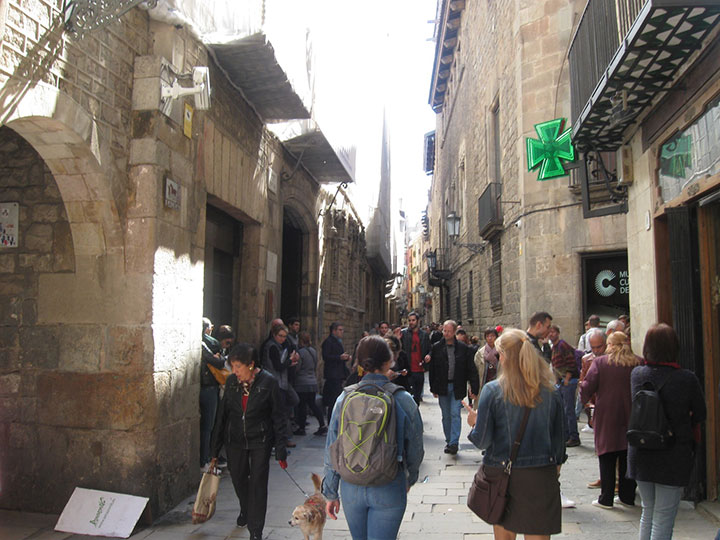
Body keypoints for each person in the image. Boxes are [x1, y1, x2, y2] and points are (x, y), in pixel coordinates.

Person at [465, 328, 566, 539]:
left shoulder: (492, 391)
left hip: (502, 472)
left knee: (504, 535)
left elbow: (483, 441)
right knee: (538, 535)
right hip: (540, 474)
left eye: (500, 354)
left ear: (507, 357)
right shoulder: (551, 391)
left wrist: (474, 423)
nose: (498, 359)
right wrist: (555, 468)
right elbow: (559, 439)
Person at [322, 335, 424, 540]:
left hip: (351, 485)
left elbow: (332, 447)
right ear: (389, 362)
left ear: (359, 363)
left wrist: (331, 492)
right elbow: (415, 447)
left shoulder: (344, 398)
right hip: (389, 483)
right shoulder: (403, 399)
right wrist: (409, 477)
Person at [628, 323, 706, 539]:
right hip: (672, 454)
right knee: (663, 517)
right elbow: (701, 413)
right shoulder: (686, 378)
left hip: (641, 450)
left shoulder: (637, 374)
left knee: (647, 512)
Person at [211, 343, 287, 540]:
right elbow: (222, 416)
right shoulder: (231, 383)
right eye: (232, 367)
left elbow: (278, 417)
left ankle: (256, 529)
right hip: (235, 440)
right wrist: (214, 450)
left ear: (251, 365)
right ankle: (246, 508)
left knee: (258, 484)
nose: (234, 371)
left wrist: (281, 449)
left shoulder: (268, 382)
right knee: (238, 480)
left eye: (238, 367)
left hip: (260, 440)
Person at [580, 331, 640, 509]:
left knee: (607, 454)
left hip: (607, 413)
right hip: (632, 413)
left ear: (611, 345)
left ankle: (606, 498)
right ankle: (627, 496)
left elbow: (588, 385)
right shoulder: (638, 362)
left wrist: (584, 398)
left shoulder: (601, 362)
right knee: (627, 453)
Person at [428, 319, 479, 455]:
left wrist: (474, 387)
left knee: (455, 414)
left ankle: (454, 443)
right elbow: (432, 369)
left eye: (449, 331)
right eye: (444, 331)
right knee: (446, 415)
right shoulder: (437, 347)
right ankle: (449, 439)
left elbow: (470, 369)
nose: (446, 334)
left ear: (455, 332)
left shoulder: (463, 349)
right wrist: (433, 388)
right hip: (442, 386)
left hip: (457, 386)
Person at [263, 323, 299, 447]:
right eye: (280, 336)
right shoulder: (272, 347)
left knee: (286, 409)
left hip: (281, 383)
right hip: (275, 384)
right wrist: (290, 361)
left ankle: (282, 439)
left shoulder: (281, 346)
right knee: (278, 413)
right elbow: (278, 366)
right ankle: (277, 441)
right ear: (274, 335)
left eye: (285, 336)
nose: (282, 339)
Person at [547, 324, 581, 447]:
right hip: (561, 382)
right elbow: (556, 366)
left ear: (557, 333)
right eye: (549, 332)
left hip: (568, 382)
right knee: (564, 410)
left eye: (553, 332)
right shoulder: (554, 347)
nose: (551, 334)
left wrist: (567, 378)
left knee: (568, 410)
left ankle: (573, 436)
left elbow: (571, 362)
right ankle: (567, 435)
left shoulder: (562, 345)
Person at [200, 317, 226, 471]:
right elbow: (219, 362)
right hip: (208, 387)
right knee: (208, 427)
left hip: (207, 386)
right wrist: (220, 358)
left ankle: (207, 459)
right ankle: (205, 461)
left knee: (208, 426)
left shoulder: (205, 343)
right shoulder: (207, 343)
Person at [293, 331, 327, 436]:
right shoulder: (313, 351)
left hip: (302, 383)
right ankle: (322, 424)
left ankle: (301, 428)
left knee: (302, 405)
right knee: (312, 404)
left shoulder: (300, 352)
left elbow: (298, 368)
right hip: (312, 381)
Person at [322, 322, 351, 423]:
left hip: (338, 374)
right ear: (334, 331)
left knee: (336, 399)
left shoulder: (337, 341)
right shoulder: (329, 342)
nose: (342, 332)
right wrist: (339, 357)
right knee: (333, 400)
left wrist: (344, 358)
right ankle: (332, 421)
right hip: (333, 375)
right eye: (340, 330)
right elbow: (326, 357)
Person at [400, 311, 431, 404]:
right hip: (408, 370)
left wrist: (429, 355)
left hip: (420, 370)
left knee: (417, 397)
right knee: (408, 397)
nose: (411, 322)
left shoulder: (424, 335)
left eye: (413, 320)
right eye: (409, 320)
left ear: (418, 321)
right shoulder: (403, 334)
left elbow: (430, 349)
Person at [473, 327, 499, 409]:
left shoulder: (501, 351)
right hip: (483, 384)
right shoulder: (480, 353)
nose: (490, 338)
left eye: (492, 336)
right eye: (488, 336)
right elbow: (474, 371)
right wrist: (472, 388)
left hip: (498, 384)